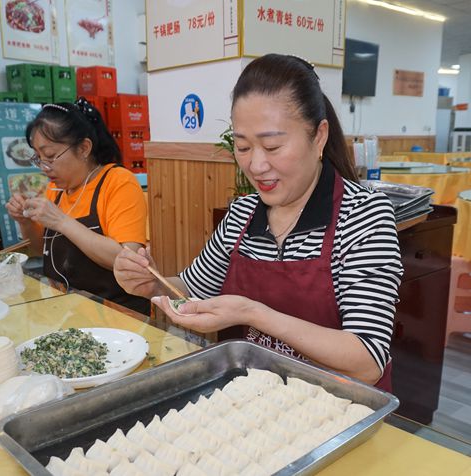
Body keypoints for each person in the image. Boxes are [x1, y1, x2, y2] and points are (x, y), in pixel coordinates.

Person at [113, 54, 403, 391]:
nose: (256, 165)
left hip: (338, 413)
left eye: (272, 146)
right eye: (243, 146)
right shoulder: (242, 214)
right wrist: (153, 284)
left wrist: (254, 314)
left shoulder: (364, 216)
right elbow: (192, 290)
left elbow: (367, 361)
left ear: (319, 136)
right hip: (249, 401)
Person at [6, 98, 150, 314]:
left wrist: (62, 221)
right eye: (38, 158)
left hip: (117, 316)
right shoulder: (55, 190)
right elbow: (41, 250)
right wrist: (25, 222)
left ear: (84, 148)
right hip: (65, 312)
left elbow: (126, 258)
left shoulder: (117, 181)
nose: (44, 167)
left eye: (51, 156)